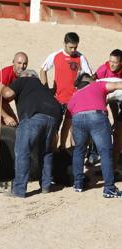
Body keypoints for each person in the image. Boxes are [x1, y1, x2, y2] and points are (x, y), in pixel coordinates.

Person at [0, 69, 62, 198]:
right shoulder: (41, 87)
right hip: (54, 114)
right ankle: (46, 186)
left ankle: (19, 190)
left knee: (23, 151)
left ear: (27, 75)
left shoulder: (24, 80)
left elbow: (7, 94)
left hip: (34, 116)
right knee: (46, 152)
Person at [67, 73, 122, 198]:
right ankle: (109, 188)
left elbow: (69, 114)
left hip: (77, 118)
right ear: (90, 81)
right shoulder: (97, 85)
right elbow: (117, 85)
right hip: (96, 116)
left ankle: (78, 184)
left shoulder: (75, 95)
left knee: (79, 150)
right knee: (105, 152)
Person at [40, 32, 92, 150]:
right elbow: (43, 70)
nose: (73, 50)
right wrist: (46, 89)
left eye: (75, 47)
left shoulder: (81, 57)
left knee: (68, 126)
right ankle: (52, 150)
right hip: (57, 99)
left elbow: (90, 76)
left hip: (73, 100)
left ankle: (62, 148)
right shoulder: (55, 55)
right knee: (54, 126)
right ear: (64, 43)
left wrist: (82, 92)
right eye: (71, 47)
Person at [95, 49, 122, 177]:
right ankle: (94, 153)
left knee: (118, 132)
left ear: (121, 63)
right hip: (107, 98)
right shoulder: (103, 69)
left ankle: (114, 167)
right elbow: (94, 85)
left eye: (115, 62)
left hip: (119, 98)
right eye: (110, 61)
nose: (111, 64)